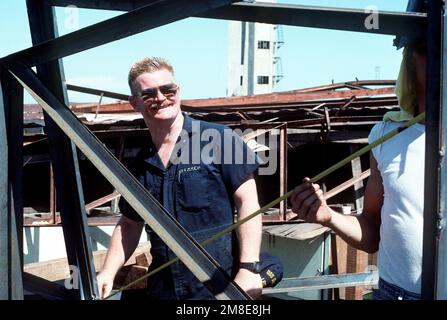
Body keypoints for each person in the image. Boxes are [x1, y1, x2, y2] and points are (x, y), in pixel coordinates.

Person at [96, 56, 267, 300]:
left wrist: (249, 268)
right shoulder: (139, 164)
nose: (161, 98)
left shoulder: (218, 138)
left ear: (179, 91)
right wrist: (107, 272)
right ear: (134, 103)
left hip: (217, 289)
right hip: (163, 290)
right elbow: (130, 224)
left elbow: (248, 203)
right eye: (149, 94)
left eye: (168, 89)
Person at [290, 0, 426, 300]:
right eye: (427, 47)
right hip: (396, 294)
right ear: (410, 59)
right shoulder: (388, 135)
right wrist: (328, 217)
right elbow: (372, 232)